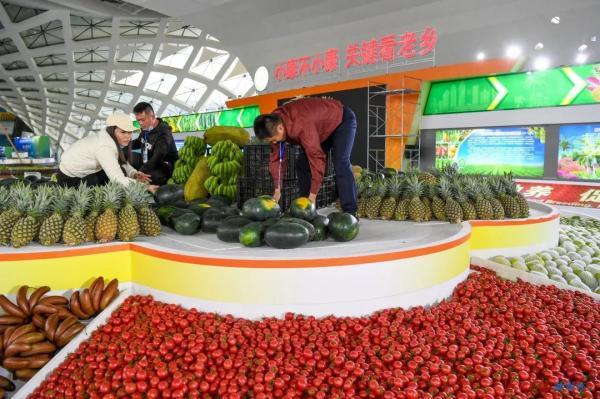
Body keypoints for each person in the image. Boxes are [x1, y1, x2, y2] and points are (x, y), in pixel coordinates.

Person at [253, 97, 358, 215]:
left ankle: (351, 212)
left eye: (273, 140)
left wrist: (312, 196)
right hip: (321, 128)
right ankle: (304, 207)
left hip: (341, 120)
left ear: (280, 128)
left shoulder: (301, 126)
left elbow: (316, 158)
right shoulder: (274, 122)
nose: (274, 143)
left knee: (340, 163)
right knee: (302, 164)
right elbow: (278, 158)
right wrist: (277, 188)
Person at [57, 112, 158, 192]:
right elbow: (118, 180)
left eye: (130, 132)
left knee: (122, 170)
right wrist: (146, 187)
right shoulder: (104, 147)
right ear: (112, 130)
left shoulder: (110, 138)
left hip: (82, 173)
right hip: (70, 181)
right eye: (123, 132)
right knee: (117, 177)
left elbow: (120, 161)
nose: (128, 136)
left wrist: (134, 174)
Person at [129, 102, 178, 186]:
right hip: (149, 160)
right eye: (138, 120)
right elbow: (138, 142)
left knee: (151, 177)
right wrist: (121, 146)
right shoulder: (146, 128)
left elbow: (158, 156)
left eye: (143, 120)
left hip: (164, 165)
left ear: (153, 116)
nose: (140, 123)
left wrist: (142, 171)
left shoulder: (164, 132)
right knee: (128, 157)